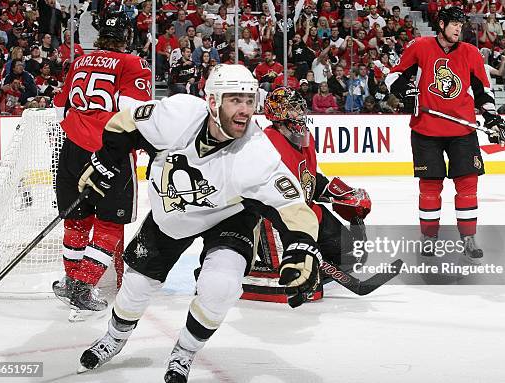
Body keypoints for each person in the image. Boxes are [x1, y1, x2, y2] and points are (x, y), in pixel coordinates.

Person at [77, 65, 322, 383]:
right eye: (235, 100)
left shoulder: (256, 155)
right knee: (135, 288)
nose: (245, 110)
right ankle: (113, 338)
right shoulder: (177, 115)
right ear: (212, 101)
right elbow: (124, 123)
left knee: (221, 287)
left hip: (230, 215)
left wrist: (302, 249)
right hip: (173, 216)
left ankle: (185, 352)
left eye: (249, 100)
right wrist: (105, 160)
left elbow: (294, 208)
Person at [376, 7, 505, 262]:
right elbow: (393, 77)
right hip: (427, 128)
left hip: (462, 129)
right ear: (442, 24)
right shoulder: (421, 47)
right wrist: (407, 93)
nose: (459, 29)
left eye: (461, 25)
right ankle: (429, 238)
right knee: (430, 186)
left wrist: (492, 118)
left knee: (468, 184)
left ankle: (468, 237)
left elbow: (483, 92)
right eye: (454, 24)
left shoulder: (470, 53)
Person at [51, 11, 152, 317]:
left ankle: (71, 281)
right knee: (110, 223)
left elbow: (60, 108)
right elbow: (134, 112)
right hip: (108, 152)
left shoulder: (80, 60)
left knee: (76, 220)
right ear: (127, 36)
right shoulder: (132, 63)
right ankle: (82, 288)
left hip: (71, 149)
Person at [242, 87, 371, 303]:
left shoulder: (304, 140)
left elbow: (310, 178)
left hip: (307, 213)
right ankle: (233, 279)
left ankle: (312, 264)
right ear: (279, 115)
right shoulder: (267, 143)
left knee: (349, 254)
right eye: (292, 109)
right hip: (277, 219)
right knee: (303, 282)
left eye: (299, 108)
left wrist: (344, 195)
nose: (299, 114)